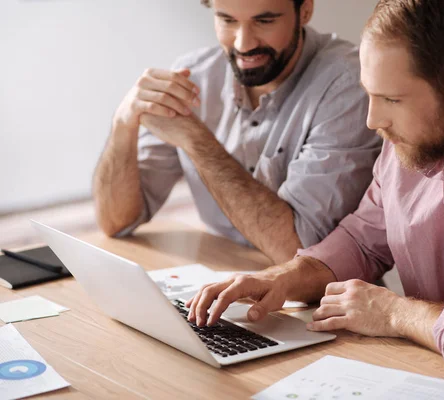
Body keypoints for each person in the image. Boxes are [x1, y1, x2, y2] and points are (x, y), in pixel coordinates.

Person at [186, 0, 444, 383]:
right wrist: (284, 279)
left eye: (390, 99)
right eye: (370, 94)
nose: (372, 120)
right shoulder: (414, 135)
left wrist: (393, 312)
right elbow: (363, 241)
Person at [92, 0, 382, 264]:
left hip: (319, 303)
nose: (243, 44)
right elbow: (117, 222)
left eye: (264, 21)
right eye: (227, 20)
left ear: (305, 10)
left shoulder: (348, 85)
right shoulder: (194, 75)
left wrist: (196, 140)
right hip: (222, 281)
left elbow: (297, 251)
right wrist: (124, 123)